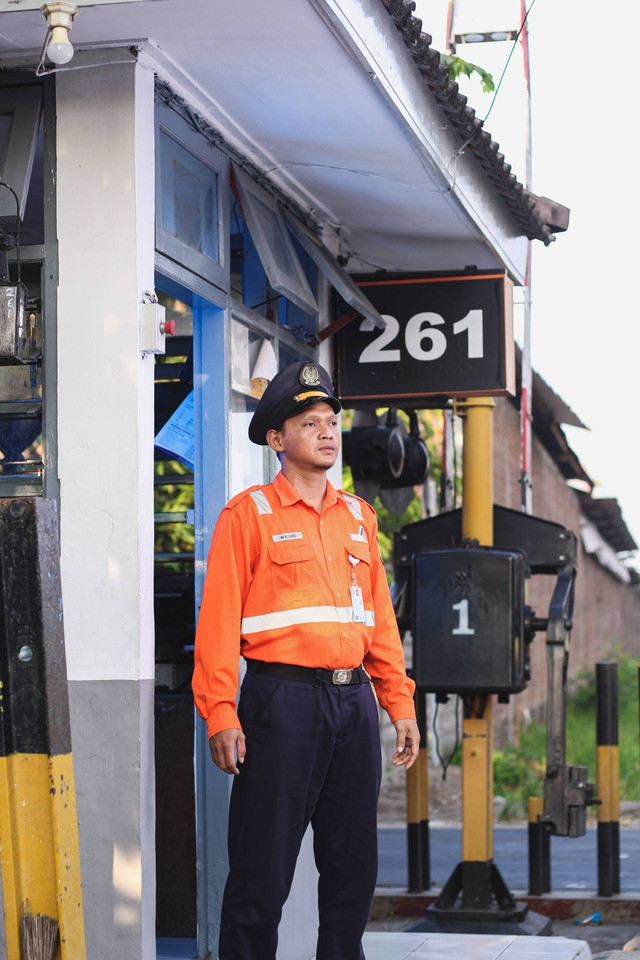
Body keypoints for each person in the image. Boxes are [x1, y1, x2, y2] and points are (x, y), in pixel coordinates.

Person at [192, 360, 419, 960]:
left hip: (353, 705)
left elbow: (380, 624)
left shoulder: (358, 518)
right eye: (309, 423)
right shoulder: (249, 517)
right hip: (280, 704)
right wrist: (220, 712)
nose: (327, 433)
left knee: (352, 872)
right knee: (261, 877)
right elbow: (216, 624)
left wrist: (399, 704)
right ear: (276, 439)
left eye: (331, 422)